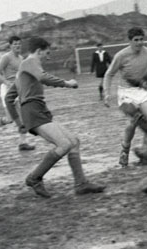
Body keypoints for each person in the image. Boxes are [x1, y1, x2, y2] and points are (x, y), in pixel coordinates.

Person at [16, 36, 105, 198]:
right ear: (39, 51)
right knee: (64, 144)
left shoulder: (28, 66)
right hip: (33, 111)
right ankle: (34, 178)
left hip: (39, 109)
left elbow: (11, 94)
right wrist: (67, 83)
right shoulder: (30, 61)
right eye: (47, 53)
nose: (47, 57)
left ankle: (81, 184)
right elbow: (43, 77)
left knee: (74, 141)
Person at [102, 27, 147, 167]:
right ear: (130, 41)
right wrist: (106, 93)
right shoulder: (121, 55)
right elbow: (109, 74)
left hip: (143, 91)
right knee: (133, 122)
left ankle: (146, 153)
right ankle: (125, 150)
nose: (139, 43)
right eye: (136, 40)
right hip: (126, 92)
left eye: (141, 39)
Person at [0, 35, 35, 151]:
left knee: (23, 117)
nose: (18, 46)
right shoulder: (6, 57)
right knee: (10, 119)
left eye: (19, 43)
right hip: (7, 91)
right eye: (15, 44)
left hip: (19, 90)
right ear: (10, 46)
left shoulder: (21, 58)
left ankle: (23, 143)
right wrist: (7, 82)